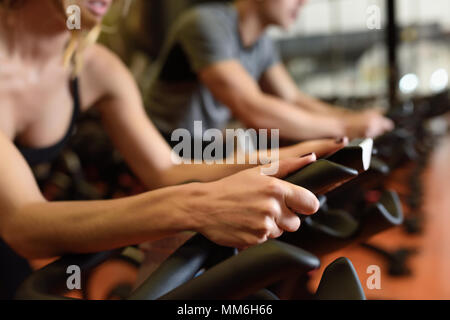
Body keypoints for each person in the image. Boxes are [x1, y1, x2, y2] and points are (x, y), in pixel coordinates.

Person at [0, 0, 347, 266]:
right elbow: (22, 223)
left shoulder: (96, 69)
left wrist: (292, 158)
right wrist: (197, 207)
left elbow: (166, 170)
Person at [146, 0, 394, 145]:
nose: (303, 3)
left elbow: (294, 99)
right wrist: (345, 127)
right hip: (164, 143)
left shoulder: (262, 42)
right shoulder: (205, 23)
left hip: (201, 144)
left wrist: (354, 118)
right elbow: (254, 109)